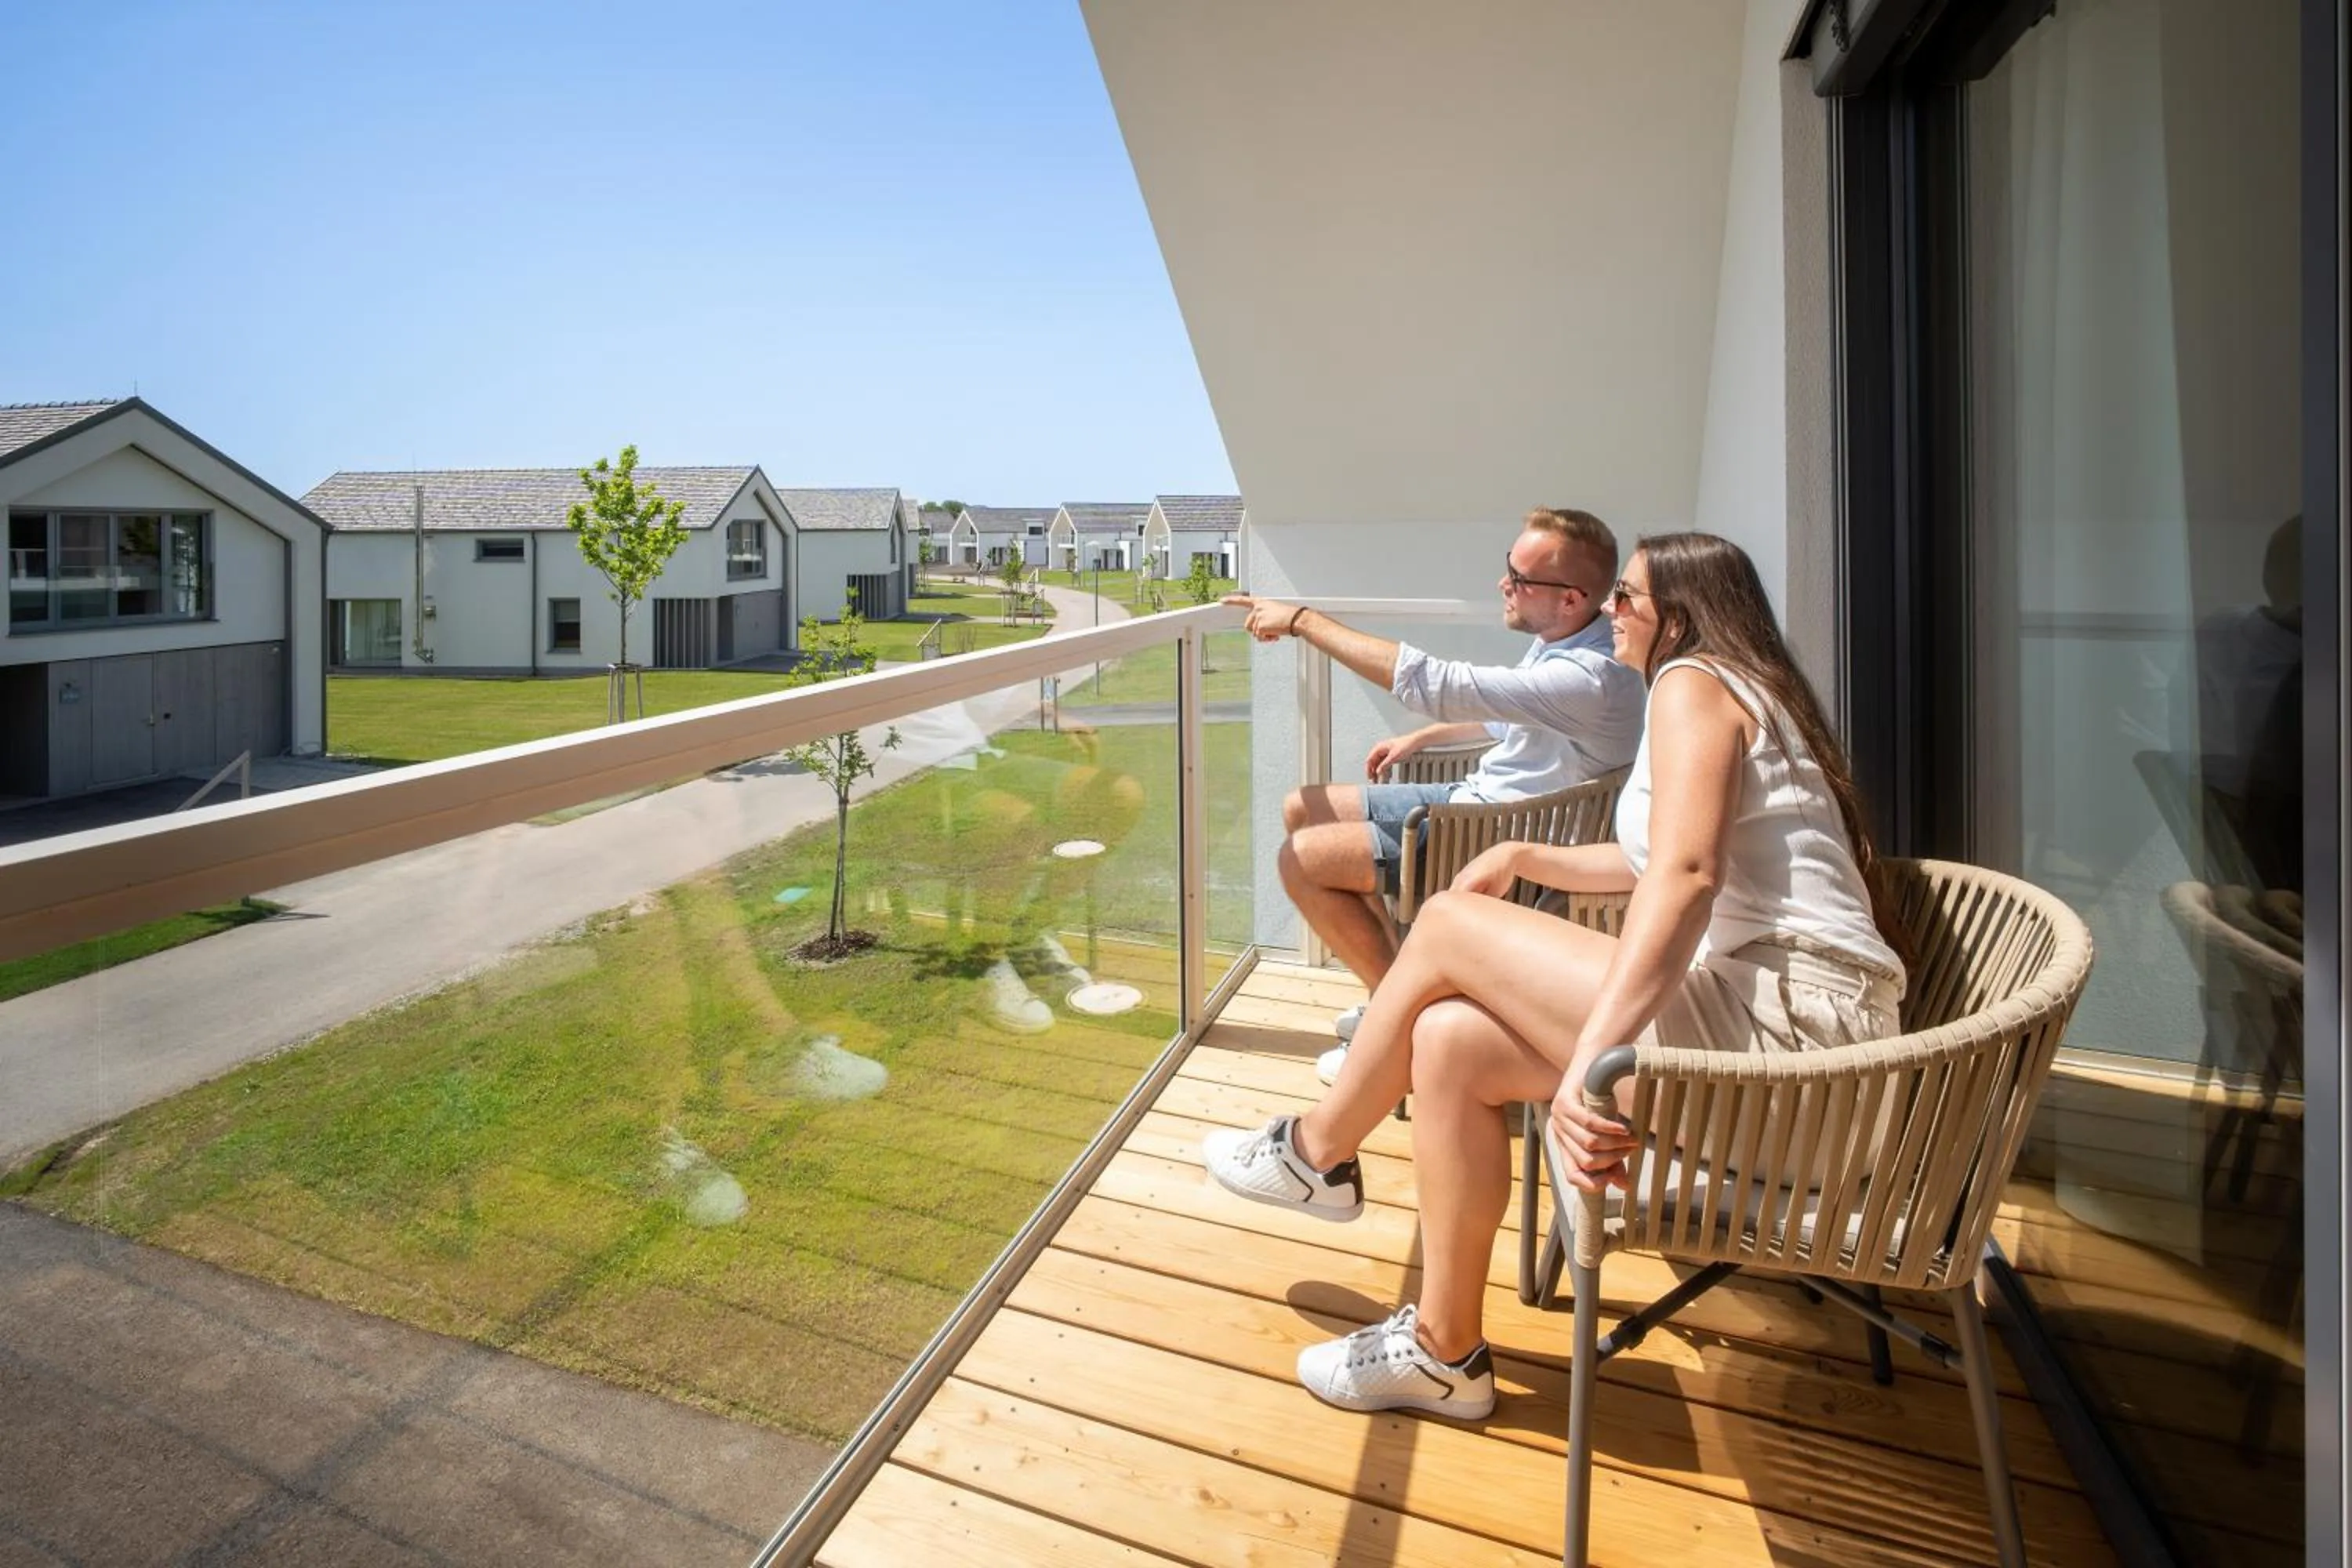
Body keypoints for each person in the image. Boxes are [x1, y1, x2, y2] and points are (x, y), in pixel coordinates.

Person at [1203, 532, 1907, 1420]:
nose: (1613, 610)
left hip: (1800, 1061)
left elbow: (1687, 880)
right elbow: (1663, 857)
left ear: (1678, 618)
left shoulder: (1696, 682)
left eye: (1628, 598)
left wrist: (1591, 1063)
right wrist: (1527, 848)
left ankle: (1315, 1153)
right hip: (1803, 1067)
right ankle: (1442, 1351)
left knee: (1451, 923)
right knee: (1449, 1039)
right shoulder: (1731, 689)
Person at [1224, 507, 1644, 1084]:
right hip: (1482, 800)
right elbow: (1506, 717)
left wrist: (1302, 620)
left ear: (1571, 598)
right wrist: (1423, 736)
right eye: (1509, 567)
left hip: (1501, 833)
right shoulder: (1569, 640)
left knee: (1300, 860)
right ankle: (1402, 990)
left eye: (1519, 579)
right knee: (1305, 807)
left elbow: (1437, 684)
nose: (1504, 585)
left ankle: (1393, 1023)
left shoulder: (1589, 676)